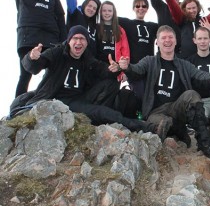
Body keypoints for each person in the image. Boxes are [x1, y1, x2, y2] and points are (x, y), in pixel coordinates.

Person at [9, 25, 166, 137]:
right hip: (54, 99)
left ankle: (147, 127)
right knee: (105, 113)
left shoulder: (87, 59)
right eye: (75, 38)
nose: (79, 42)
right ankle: (147, 127)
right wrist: (31, 57)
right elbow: (34, 67)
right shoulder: (57, 53)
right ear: (69, 41)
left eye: (83, 39)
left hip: (77, 101)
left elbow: (103, 71)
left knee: (110, 88)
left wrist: (114, 69)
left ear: (86, 43)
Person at [119, 25, 210, 161]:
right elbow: (136, 70)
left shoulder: (184, 64)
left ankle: (205, 143)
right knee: (163, 124)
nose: (167, 40)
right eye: (163, 38)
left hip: (176, 107)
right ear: (157, 41)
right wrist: (127, 67)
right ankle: (177, 132)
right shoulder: (149, 61)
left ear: (175, 41)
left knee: (192, 94)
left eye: (170, 37)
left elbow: (202, 75)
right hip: (156, 111)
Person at [0, 0, 67, 97]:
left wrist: (63, 41)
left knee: (55, 71)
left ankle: (47, 100)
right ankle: (16, 109)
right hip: (28, 35)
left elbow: (60, 16)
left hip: (51, 37)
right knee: (25, 75)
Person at [95, 1, 130, 82]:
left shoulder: (120, 30)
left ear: (114, 13)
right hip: (98, 68)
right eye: (104, 11)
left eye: (110, 11)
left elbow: (125, 51)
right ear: (100, 12)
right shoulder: (96, 27)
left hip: (115, 69)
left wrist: (125, 71)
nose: (107, 13)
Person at [118, 0, 158, 64]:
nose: (141, 8)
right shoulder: (127, 23)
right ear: (133, 8)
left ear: (147, 9)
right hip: (132, 66)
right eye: (137, 6)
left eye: (144, 6)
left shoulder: (153, 26)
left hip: (149, 67)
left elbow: (166, 21)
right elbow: (108, 14)